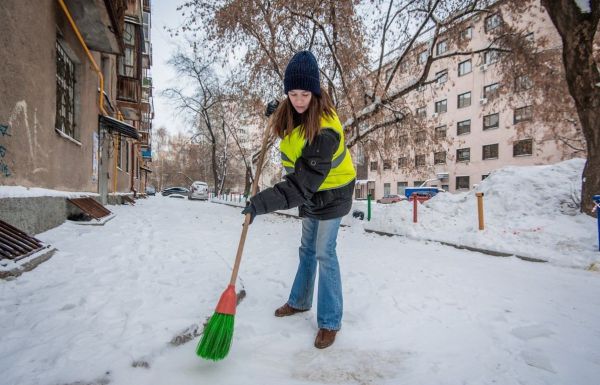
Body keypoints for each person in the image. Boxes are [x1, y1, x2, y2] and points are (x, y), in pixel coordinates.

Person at [242, 50, 356, 349]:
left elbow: (300, 185)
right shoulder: (291, 111)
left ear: (315, 92)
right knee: (306, 248)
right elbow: (290, 134)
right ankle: (300, 301)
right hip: (310, 190)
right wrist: (273, 113)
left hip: (333, 192)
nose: (299, 100)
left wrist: (260, 204)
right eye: (292, 93)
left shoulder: (326, 131)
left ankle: (330, 321)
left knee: (324, 252)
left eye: (305, 93)